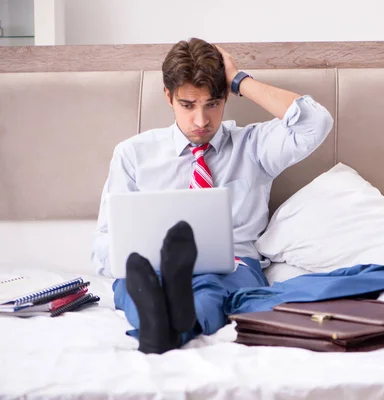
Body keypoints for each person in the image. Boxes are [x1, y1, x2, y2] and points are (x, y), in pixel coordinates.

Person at [91, 38, 333, 354]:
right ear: (168, 96)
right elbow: (103, 244)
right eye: (188, 105)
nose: (201, 121)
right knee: (132, 284)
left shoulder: (254, 146)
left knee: (211, 291)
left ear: (226, 98)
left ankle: (158, 329)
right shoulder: (133, 154)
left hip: (231, 266)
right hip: (154, 267)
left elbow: (316, 123)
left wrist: (240, 80)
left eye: (212, 104)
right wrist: (133, 260)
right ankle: (166, 309)